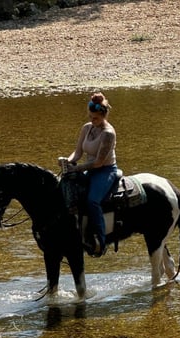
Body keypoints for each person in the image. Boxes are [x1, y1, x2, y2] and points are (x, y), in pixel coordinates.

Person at [59, 92, 118, 257]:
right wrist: (67, 161)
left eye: (96, 118)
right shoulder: (86, 128)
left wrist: (75, 169)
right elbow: (77, 153)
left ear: (103, 116)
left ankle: (100, 240)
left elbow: (98, 162)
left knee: (92, 201)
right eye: (91, 117)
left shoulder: (108, 133)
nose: (93, 121)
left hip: (105, 170)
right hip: (88, 168)